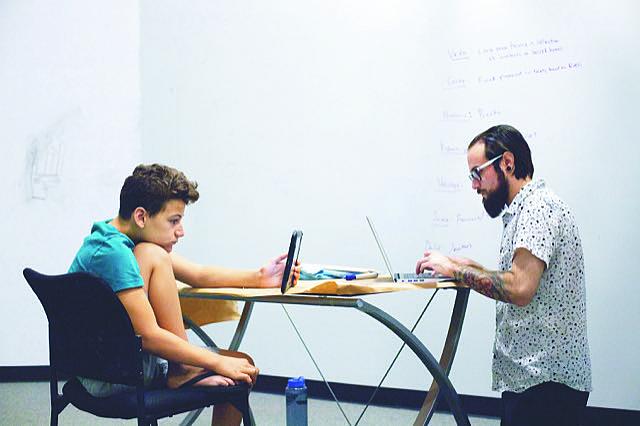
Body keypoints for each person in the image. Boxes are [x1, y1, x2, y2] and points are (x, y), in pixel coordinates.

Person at [69, 163, 300, 426]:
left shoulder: (111, 238)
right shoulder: (118, 255)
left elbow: (198, 274)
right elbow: (149, 336)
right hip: (111, 376)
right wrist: (216, 362)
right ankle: (182, 370)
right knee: (240, 367)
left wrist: (260, 277)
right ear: (142, 216)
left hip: (96, 369)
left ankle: (183, 368)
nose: (181, 231)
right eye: (174, 221)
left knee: (235, 363)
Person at [415, 125, 591, 426]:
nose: (474, 185)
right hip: (535, 382)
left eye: (476, 173)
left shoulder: (538, 208)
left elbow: (520, 288)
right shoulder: (528, 208)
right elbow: (526, 279)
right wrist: (473, 268)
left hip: (545, 384)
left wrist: (456, 270)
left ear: (507, 163)